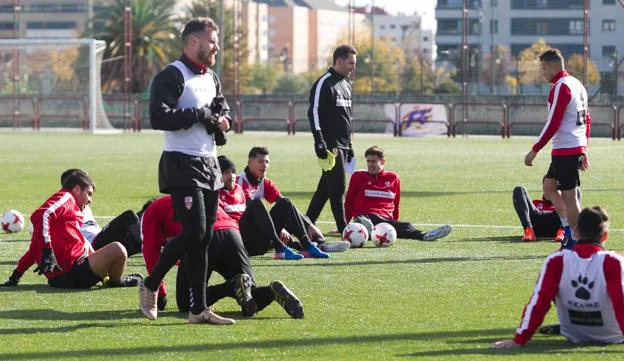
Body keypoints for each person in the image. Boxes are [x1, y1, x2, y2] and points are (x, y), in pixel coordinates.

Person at [140, 17, 233, 325]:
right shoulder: (173, 74)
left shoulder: (212, 78)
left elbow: (221, 108)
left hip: (209, 162)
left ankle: (199, 310)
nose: (216, 46)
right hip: (181, 162)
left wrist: (222, 120)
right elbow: (158, 117)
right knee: (193, 233)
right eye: (212, 41)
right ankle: (151, 283)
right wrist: (199, 114)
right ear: (193, 42)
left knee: (204, 238)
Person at [140, 195, 304, 320]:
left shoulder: (151, 213)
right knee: (250, 295)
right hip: (232, 233)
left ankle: (231, 286)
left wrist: (158, 295)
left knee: (185, 302)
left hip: (205, 237)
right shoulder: (185, 198)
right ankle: (271, 291)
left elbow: (151, 255)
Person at [491, 206, 624, 349]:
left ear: (576, 232)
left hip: (574, 334)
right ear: (605, 236)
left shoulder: (556, 260)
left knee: (552, 281)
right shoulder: (612, 262)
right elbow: (620, 302)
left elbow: (539, 302)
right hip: (612, 335)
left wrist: (519, 339)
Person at [1, 170, 141, 289]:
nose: (90, 200)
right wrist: (47, 251)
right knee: (118, 249)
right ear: (77, 189)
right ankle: (115, 282)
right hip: (72, 273)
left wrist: (15, 276)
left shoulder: (66, 215)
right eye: (89, 193)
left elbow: (33, 250)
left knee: (85, 242)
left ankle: (106, 278)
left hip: (67, 274)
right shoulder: (67, 197)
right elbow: (41, 215)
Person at [524, 48, 591, 250]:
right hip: (573, 147)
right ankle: (569, 232)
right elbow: (587, 119)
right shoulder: (577, 84)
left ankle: (580, 240)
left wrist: (535, 149)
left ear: (554, 66)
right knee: (549, 187)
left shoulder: (562, 87)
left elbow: (553, 122)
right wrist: (584, 147)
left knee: (569, 196)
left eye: (544, 68)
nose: (543, 73)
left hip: (566, 149)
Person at [237, 147, 350, 258]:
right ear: (250, 162)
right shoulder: (240, 182)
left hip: (261, 237)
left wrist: (309, 225)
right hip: (246, 240)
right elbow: (248, 217)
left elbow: (287, 208)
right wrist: (281, 229)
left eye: (267, 162)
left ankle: (315, 244)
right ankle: (290, 247)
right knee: (257, 204)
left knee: (287, 204)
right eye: (260, 161)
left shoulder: (264, 182)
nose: (265, 165)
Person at [344, 146, 452, 241]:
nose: (370, 164)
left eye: (373, 161)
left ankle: (425, 235)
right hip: (365, 216)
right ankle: (367, 229)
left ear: (382, 161)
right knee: (366, 220)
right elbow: (349, 202)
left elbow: (396, 204)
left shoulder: (393, 177)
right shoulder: (358, 176)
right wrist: (344, 225)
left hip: (386, 219)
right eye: (368, 161)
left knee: (405, 226)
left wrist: (394, 222)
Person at [305, 44, 358, 234]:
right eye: (351, 63)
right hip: (330, 145)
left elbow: (346, 118)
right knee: (337, 188)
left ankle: (306, 223)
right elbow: (314, 113)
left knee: (325, 189)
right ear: (339, 61)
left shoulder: (346, 85)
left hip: (343, 145)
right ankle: (344, 230)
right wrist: (319, 140)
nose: (353, 67)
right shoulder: (324, 83)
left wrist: (350, 144)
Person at [217, 155, 303, 260]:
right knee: (256, 204)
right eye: (226, 173)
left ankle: (306, 244)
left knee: (285, 203)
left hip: (256, 241)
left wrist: (281, 229)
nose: (231, 176)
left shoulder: (238, 189)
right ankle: (279, 247)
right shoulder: (213, 195)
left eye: (233, 172)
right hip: (237, 242)